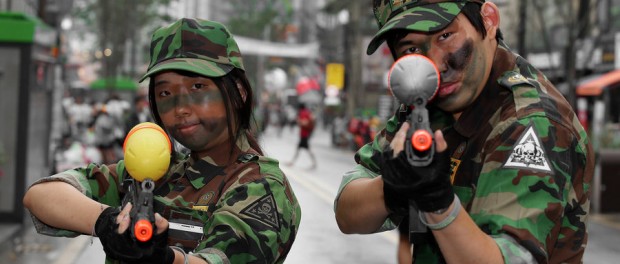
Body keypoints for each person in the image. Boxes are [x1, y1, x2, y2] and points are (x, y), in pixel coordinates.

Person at [23, 18, 301, 264]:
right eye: (165, 93)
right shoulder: (153, 173)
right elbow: (41, 195)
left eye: (198, 87)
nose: (180, 107)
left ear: (238, 93)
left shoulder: (261, 186)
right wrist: (105, 222)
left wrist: (165, 257)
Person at [333, 1, 594, 263]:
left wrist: (438, 203)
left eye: (445, 36)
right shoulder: (426, 105)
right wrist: (393, 186)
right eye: (412, 49)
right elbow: (347, 212)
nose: (435, 64)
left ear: (488, 20)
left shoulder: (531, 123)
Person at [286, 103, 317, 169]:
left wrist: (298, 120)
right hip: (305, 134)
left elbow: (304, 122)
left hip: (304, 134)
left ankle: (292, 162)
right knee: (302, 149)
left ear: (300, 108)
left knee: (302, 149)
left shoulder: (303, 113)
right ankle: (314, 163)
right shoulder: (307, 112)